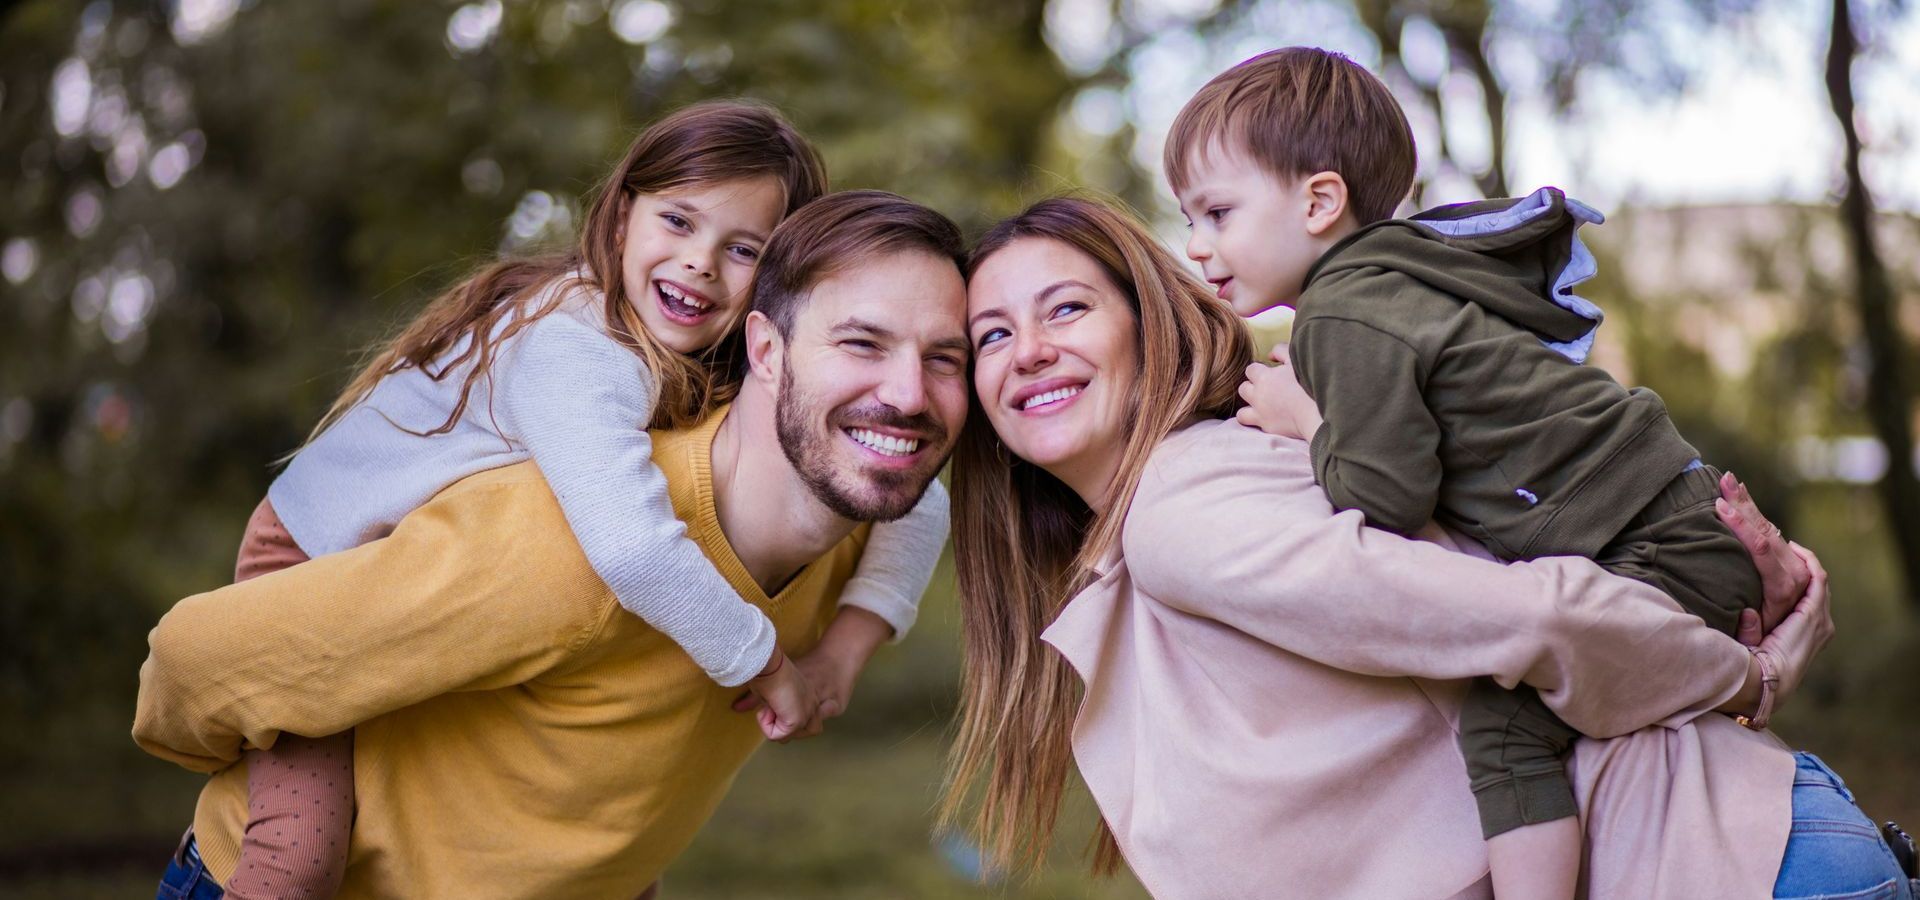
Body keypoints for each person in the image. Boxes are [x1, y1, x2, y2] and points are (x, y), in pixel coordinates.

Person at [943, 196, 1914, 899]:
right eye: (989, 335)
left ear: (1147, 324)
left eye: (1065, 309)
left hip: (1726, 866)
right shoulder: (1157, 538)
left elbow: (1532, 611)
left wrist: (1742, 676)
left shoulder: (1185, 505)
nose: (1026, 349)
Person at [204, 102, 950, 898]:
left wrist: (844, 652)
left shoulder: (726, 364)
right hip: (316, 559)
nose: (700, 264)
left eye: (741, 248)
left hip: (427, 585)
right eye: (678, 221)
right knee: (299, 855)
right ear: (623, 215)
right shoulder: (575, 343)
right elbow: (632, 546)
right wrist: (766, 662)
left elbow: (921, 494)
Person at [1166, 48, 1772, 897]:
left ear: (1319, 201)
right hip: (1675, 515)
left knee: (1504, 732)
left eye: (1217, 212)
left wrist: (1306, 422)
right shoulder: (1403, 275)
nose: (1195, 245)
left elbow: (1382, 497)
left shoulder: (1343, 312)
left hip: (1655, 541)